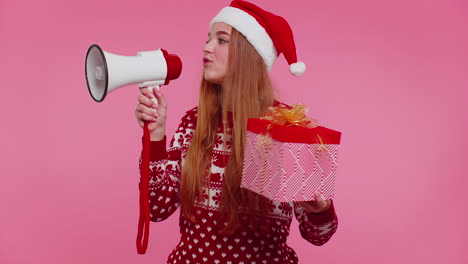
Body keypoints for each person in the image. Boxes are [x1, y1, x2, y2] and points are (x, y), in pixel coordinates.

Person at [135, 1, 338, 263]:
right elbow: (157, 207)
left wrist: (320, 209)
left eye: (221, 40)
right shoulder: (193, 124)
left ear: (249, 54)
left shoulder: (287, 129)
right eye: (208, 39)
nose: (206, 47)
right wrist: (156, 135)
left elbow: (318, 235)